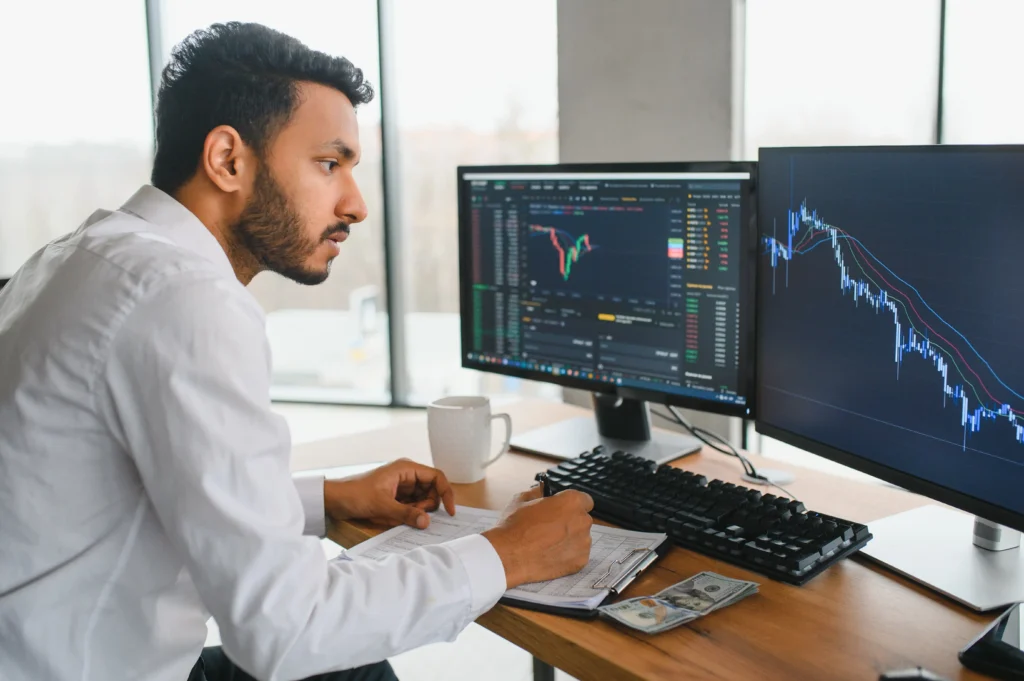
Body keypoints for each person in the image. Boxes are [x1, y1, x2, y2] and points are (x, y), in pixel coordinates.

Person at [0, 22, 594, 681]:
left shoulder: (80, 254)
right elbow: (285, 631)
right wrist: (505, 554)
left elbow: (133, 487)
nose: (357, 204)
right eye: (329, 163)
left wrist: (328, 498)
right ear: (228, 159)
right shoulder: (184, 300)